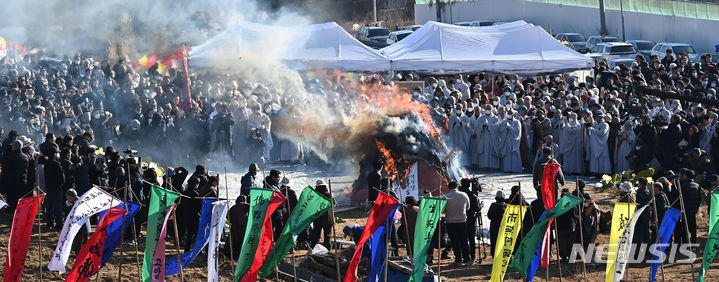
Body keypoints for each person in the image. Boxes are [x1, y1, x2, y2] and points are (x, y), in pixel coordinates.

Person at [444, 181, 471, 266]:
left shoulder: (446, 197)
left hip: (450, 222)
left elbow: (442, 210)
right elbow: (468, 207)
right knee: (464, 241)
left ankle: (458, 260)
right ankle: (467, 260)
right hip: (462, 221)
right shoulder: (464, 195)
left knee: (455, 241)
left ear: (448, 187)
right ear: (457, 186)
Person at [1, 140, 30, 211]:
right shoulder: (25, 157)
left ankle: (11, 213)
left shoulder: (10, 157)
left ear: (14, 147)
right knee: (20, 199)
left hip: (12, 181)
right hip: (22, 181)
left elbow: (5, 170)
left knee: (12, 200)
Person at [676, 168, 702, 246]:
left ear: (685, 176)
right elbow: (699, 199)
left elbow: (679, 199)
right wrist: (696, 208)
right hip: (693, 210)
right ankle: (693, 244)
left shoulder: (683, 186)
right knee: (693, 229)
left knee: (684, 229)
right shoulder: (697, 185)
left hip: (684, 211)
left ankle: (685, 244)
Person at [459, 178, 481, 262]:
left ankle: (463, 257)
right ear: (469, 185)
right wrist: (481, 205)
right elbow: (477, 208)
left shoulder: (459, 194)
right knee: (471, 239)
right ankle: (472, 257)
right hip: (471, 220)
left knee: (462, 239)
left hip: (460, 219)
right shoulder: (472, 196)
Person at [43, 147, 65, 230]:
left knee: (49, 206)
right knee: (58, 206)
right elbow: (62, 177)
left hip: (49, 187)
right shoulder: (57, 164)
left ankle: (49, 223)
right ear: (54, 154)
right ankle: (59, 224)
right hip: (57, 188)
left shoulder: (46, 163)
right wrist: (62, 185)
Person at [309, 180, 334, 249]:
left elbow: (311, 206)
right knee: (327, 235)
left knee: (316, 236)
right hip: (328, 218)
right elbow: (333, 204)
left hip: (318, 218)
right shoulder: (328, 195)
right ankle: (328, 249)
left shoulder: (315, 195)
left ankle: (313, 248)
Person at [556, 188, 576, 262]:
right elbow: (574, 214)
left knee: (562, 242)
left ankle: (564, 257)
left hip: (560, 226)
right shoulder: (572, 203)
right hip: (570, 225)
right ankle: (570, 256)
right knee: (570, 242)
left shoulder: (558, 203)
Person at [228, 195, 249, 259]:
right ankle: (241, 256)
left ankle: (235, 256)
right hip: (244, 227)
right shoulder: (247, 205)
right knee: (242, 242)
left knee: (235, 242)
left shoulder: (233, 207)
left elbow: (227, 217)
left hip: (234, 227)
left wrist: (232, 222)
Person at [487, 190, 507, 257]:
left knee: (494, 241)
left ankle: (494, 255)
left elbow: (489, 215)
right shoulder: (506, 206)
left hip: (494, 226)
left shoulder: (493, 205)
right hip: (503, 227)